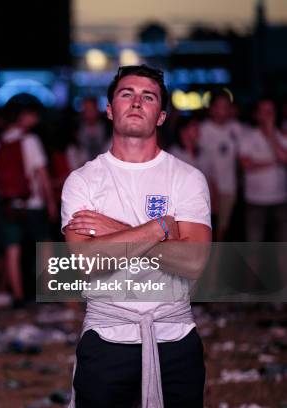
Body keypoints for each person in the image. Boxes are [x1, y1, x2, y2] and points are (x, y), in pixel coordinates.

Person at [62, 65, 211, 407]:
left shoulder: (186, 178)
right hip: (107, 335)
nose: (136, 102)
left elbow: (193, 262)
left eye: (148, 97)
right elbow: (86, 262)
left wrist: (113, 231)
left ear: (161, 116)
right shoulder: (83, 181)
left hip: (174, 336)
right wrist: (161, 229)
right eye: (126, 94)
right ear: (110, 109)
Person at [0, 104, 57, 307]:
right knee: (45, 245)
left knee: (12, 249)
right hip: (32, 202)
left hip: (7, 204)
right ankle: (48, 291)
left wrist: (4, 190)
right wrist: (50, 202)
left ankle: (18, 296)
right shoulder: (30, 141)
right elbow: (42, 174)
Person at [238, 98, 287, 242]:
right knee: (254, 249)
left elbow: (284, 158)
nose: (268, 115)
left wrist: (271, 133)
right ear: (256, 114)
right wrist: (274, 162)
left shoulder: (282, 136)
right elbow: (246, 165)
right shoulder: (247, 136)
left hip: (281, 200)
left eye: (271, 111)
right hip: (255, 201)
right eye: (264, 111)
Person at [198, 91, 242, 241]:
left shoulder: (236, 128)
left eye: (226, 106)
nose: (223, 110)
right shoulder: (202, 129)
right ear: (212, 108)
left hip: (229, 188)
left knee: (222, 231)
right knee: (204, 231)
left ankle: (216, 263)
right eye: (219, 106)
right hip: (206, 189)